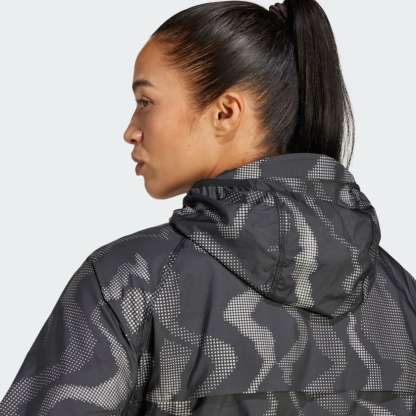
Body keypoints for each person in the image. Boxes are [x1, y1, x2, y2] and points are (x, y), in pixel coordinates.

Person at [1, 0, 415, 414]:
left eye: (145, 101)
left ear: (225, 113)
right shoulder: (401, 295)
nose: (130, 131)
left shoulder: (133, 282)